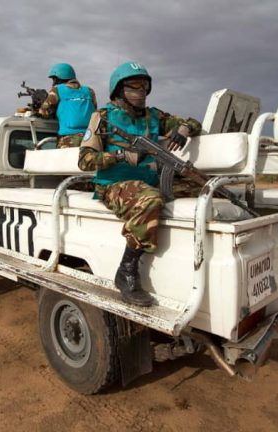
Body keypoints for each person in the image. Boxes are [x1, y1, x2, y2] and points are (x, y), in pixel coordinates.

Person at [78, 61, 202, 306]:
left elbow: (193, 122)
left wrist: (185, 128)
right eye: (134, 87)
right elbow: (85, 160)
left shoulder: (154, 116)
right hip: (113, 184)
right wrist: (121, 156)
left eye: (145, 87)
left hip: (150, 180)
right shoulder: (102, 117)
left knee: (205, 189)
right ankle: (126, 271)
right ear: (119, 90)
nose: (141, 92)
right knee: (150, 200)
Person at [36, 63, 98, 148]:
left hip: (68, 140)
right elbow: (94, 110)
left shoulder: (57, 90)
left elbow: (44, 112)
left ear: (59, 78)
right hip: (90, 139)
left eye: (54, 79)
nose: (53, 83)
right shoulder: (90, 91)